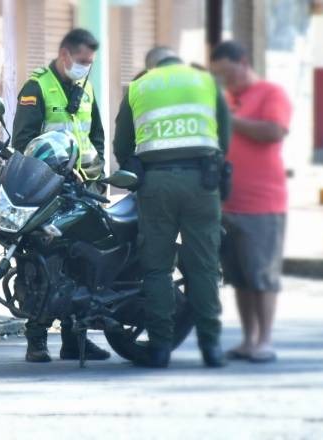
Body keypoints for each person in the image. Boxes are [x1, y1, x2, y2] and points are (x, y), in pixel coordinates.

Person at [113, 46, 231, 368]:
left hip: (156, 184)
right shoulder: (206, 81)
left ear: (151, 65)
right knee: (204, 266)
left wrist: (134, 168)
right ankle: (211, 348)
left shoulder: (139, 86)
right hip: (202, 182)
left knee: (157, 268)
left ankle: (160, 348)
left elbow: (122, 145)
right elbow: (224, 135)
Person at [11, 28, 110, 363]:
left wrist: (97, 177)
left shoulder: (87, 88)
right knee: (44, 263)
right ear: (65, 55)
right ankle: (36, 340)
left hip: (84, 191)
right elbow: (23, 142)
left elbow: (96, 136)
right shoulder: (37, 87)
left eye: (90, 62)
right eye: (82, 60)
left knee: (81, 265)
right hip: (49, 190)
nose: (86, 67)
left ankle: (75, 340)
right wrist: (53, 175)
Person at [210, 41, 292, 363]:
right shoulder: (228, 97)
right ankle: (248, 340)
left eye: (228, 73)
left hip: (262, 203)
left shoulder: (271, 93)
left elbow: (274, 131)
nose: (225, 80)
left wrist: (231, 120)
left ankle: (265, 341)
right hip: (229, 202)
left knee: (262, 276)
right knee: (240, 277)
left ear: (243, 62)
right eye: (219, 75)